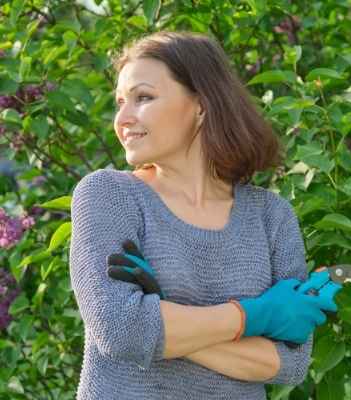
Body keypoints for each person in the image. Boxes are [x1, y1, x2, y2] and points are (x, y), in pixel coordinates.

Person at [69, 31, 333, 399]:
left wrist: (163, 316)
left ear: (201, 105)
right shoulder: (109, 196)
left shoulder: (270, 216)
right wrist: (256, 315)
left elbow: (289, 364)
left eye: (143, 97)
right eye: (119, 102)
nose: (122, 118)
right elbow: (118, 330)